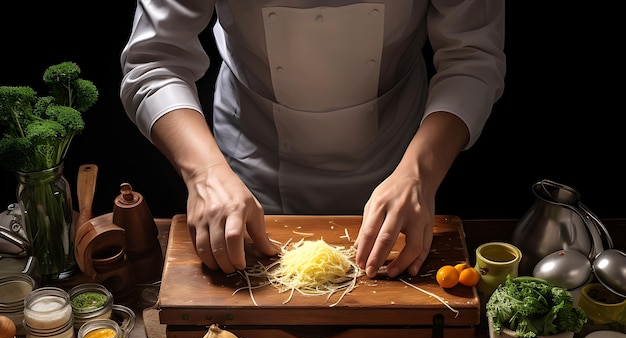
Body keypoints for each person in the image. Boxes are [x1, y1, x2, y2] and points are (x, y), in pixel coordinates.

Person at [120, 1, 505, 279]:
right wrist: (205, 173)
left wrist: (420, 173)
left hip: (397, 153)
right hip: (250, 159)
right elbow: (155, 61)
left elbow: (470, 58)